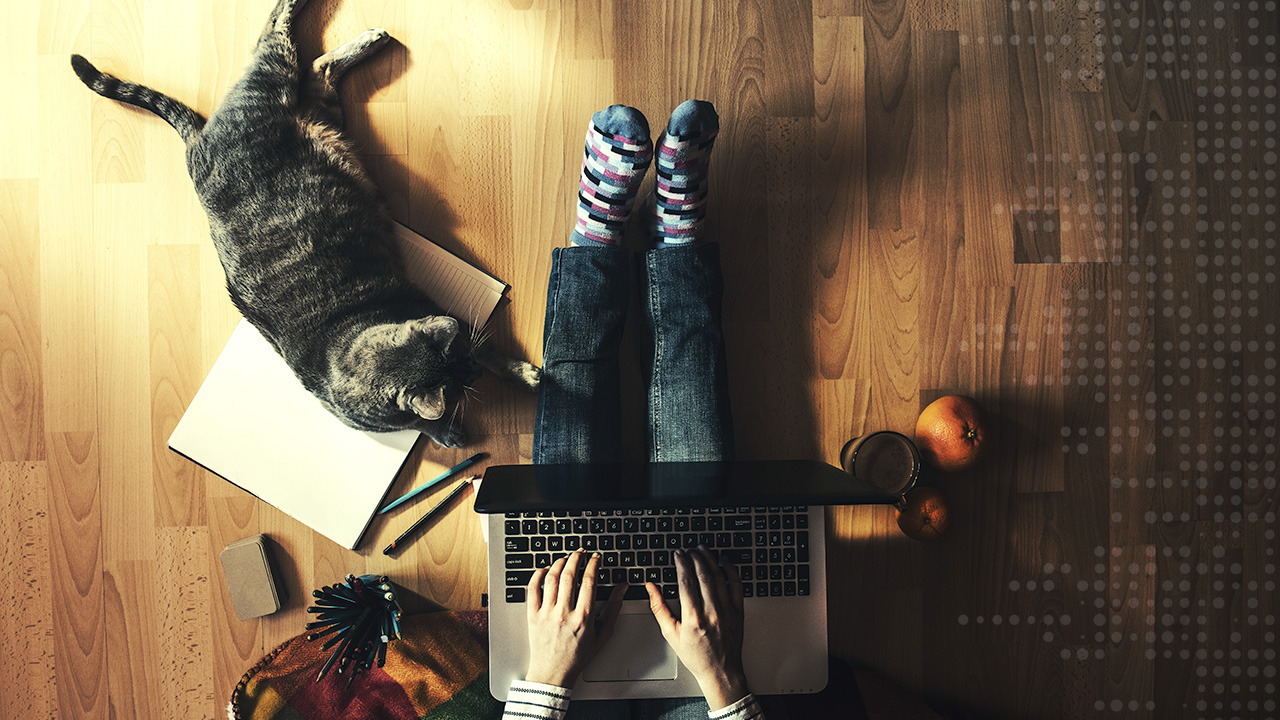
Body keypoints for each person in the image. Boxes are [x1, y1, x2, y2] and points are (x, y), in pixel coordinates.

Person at [500, 101, 765, 720]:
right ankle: (676, 236)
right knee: (696, 493)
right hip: (704, 698)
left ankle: (601, 234)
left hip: (569, 693)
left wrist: (544, 677)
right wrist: (725, 679)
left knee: (568, 495)